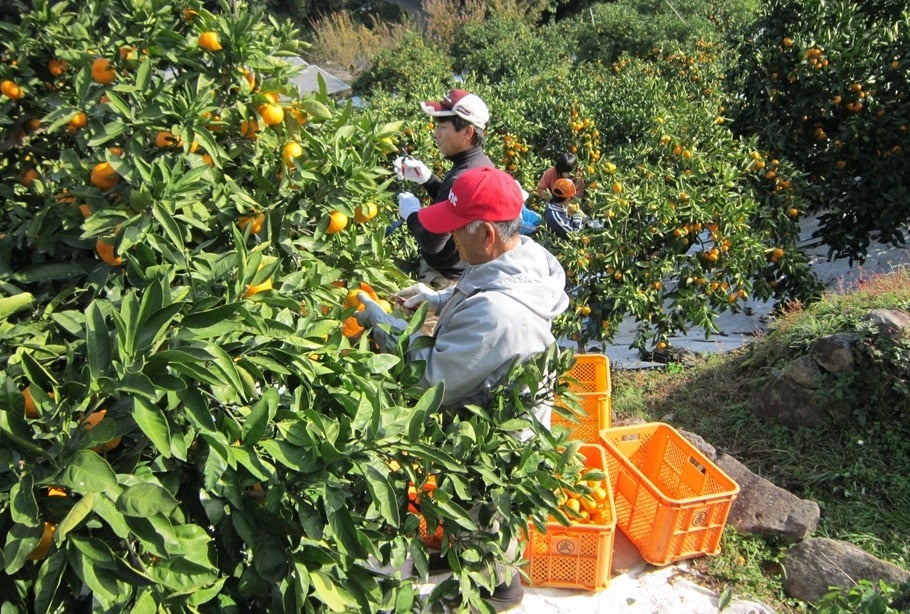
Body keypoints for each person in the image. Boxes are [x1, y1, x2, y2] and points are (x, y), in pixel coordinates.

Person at [355, 166, 570, 611]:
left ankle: (491, 591)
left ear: (488, 234)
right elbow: (485, 283)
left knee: (485, 512)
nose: (451, 241)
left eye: (457, 231)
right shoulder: (523, 255)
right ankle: (492, 574)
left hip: (498, 437)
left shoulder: (499, 316)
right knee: (484, 518)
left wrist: (385, 326)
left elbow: (430, 378)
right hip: (499, 412)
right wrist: (435, 298)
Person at [393, 89, 495, 289]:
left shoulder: (460, 177)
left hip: (442, 279)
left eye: (443, 126)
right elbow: (457, 208)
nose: (436, 133)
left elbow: (432, 243)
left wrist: (411, 213)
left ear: (468, 132)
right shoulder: (481, 164)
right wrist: (428, 180)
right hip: (463, 272)